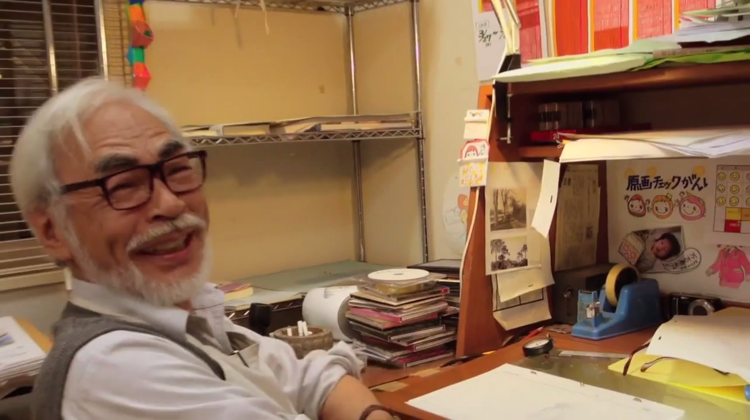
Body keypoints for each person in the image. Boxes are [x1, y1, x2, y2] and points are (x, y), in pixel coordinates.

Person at [11, 78, 393, 420]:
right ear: (53, 231)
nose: (171, 203)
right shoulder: (114, 367)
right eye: (123, 185)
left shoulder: (188, 316)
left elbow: (315, 376)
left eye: (177, 169)